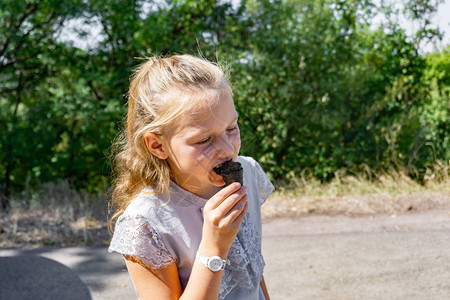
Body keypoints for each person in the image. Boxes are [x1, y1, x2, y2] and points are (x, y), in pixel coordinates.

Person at [108, 54, 274, 300]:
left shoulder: (247, 172)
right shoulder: (145, 224)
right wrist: (214, 247)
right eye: (204, 140)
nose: (228, 150)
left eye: (231, 128)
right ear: (157, 145)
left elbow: (253, 274)